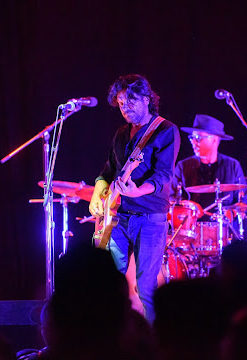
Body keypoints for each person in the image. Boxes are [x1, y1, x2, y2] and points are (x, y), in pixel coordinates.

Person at [89, 74, 180, 322]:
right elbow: (108, 171)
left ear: (147, 99)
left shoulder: (166, 130)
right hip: (118, 216)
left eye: (131, 100)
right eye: (120, 103)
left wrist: (137, 191)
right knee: (107, 283)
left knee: (146, 287)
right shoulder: (121, 133)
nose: (125, 106)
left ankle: (155, 344)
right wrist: (98, 193)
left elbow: (163, 175)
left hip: (150, 218)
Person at [172, 114, 247, 216]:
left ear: (214, 140)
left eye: (198, 138)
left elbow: (243, 202)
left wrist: (232, 213)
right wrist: (187, 204)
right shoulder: (183, 166)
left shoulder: (233, 166)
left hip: (224, 227)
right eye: (192, 138)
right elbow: (171, 199)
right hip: (192, 226)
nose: (193, 142)